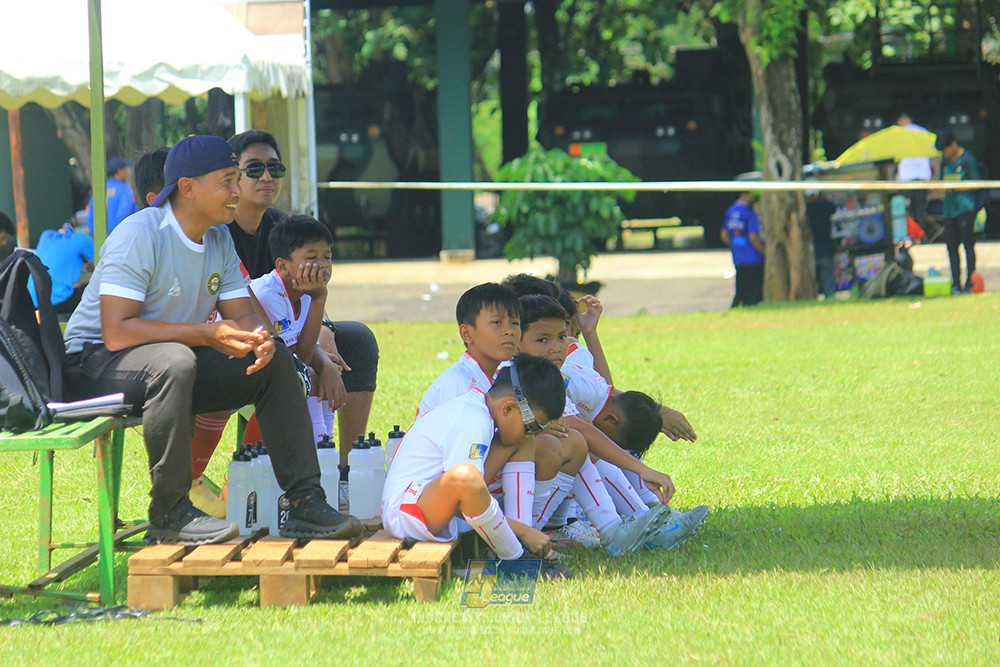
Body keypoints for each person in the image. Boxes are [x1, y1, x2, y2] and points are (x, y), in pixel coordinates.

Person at [62, 135, 361, 545]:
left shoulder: (219, 238)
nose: (238, 191)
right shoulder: (141, 234)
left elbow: (243, 312)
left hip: (169, 362)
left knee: (276, 360)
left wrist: (259, 337)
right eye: (228, 181)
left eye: (238, 179)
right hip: (93, 365)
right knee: (175, 360)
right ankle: (169, 511)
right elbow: (117, 331)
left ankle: (305, 503)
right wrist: (206, 333)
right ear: (187, 187)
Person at [202, 130, 379, 481]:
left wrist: (325, 329)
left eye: (275, 168)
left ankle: (345, 468)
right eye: (255, 169)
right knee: (299, 364)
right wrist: (319, 357)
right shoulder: (219, 232)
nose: (267, 177)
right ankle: (292, 471)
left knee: (358, 341)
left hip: (291, 333)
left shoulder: (283, 226)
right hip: (248, 338)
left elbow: (309, 292)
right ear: (233, 177)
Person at [515, 294, 707, 552]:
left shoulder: (553, 373)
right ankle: (553, 531)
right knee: (578, 441)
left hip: (512, 488)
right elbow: (583, 426)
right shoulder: (525, 376)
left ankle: (634, 523)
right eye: (543, 340)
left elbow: (602, 389)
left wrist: (589, 333)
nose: (556, 347)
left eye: (562, 337)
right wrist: (642, 469)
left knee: (578, 440)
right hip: (493, 493)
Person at [383, 353, 572, 579]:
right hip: (408, 512)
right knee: (466, 477)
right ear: (509, 408)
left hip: (435, 502)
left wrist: (522, 530)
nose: (535, 432)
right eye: (533, 425)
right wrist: (523, 531)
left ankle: (517, 547)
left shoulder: (482, 409)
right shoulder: (473, 418)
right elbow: (464, 493)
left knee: (521, 441)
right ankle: (515, 559)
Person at [249, 216, 345, 445]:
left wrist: (328, 366)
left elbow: (306, 347)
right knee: (309, 375)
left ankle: (326, 445)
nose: (323, 264)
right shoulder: (270, 294)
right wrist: (319, 299)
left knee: (329, 371)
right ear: (282, 266)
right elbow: (300, 358)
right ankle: (318, 448)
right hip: (247, 365)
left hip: (283, 360)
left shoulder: (307, 290)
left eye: (327, 256)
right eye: (312, 257)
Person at [935, 129, 980, 293]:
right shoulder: (945, 162)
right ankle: (956, 283)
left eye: (947, 149)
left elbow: (976, 184)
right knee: (952, 247)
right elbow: (942, 182)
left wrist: (956, 188)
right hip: (949, 209)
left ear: (953, 144)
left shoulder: (968, 160)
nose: (945, 153)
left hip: (965, 207)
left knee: (968, 245)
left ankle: (970, 282)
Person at [27, 220, 94, 314]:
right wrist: (86, 267)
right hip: (57, 301)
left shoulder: (46, 235)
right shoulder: (83, 238)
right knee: (94, 289)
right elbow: (98, 264)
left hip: (32, 299)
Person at [721, 192, 765, 307]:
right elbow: (753, 237)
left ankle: (737, 306)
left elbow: (724, 235)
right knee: (753, 291)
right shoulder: (750, 213)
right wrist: (763, 252)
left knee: (740, 287)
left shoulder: (730, 211)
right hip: (754, 257)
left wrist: (735, 245)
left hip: (738, 256)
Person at [896, 112, 933, 229]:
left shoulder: (899, 134)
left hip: (907, 176)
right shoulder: (923, 132)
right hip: (922, 176)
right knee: (920, 208)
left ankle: (909, 233)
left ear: (900, 121)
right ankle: (920, 234)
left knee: (907, 208)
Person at [87, 156, 137, 236]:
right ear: (119, 171)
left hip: (102, 238)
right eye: (125, 169)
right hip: (122, 235)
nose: (127, 172)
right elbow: (125, 210)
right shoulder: (124, 188)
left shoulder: (100, 189)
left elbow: (90, 218)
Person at [805, 189, 837, 299]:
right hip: (825, 250)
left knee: (810, 285)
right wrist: (822, 197)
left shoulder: (804, 209)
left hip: (808, 253)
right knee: (828, 284)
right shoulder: (824, 207)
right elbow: (833, 207)